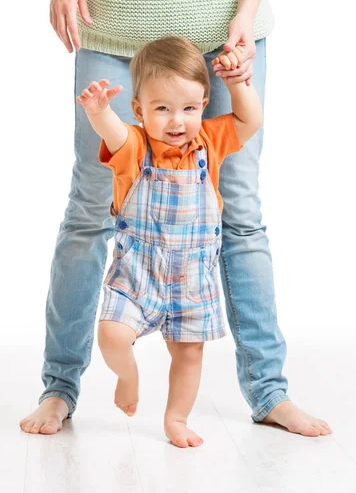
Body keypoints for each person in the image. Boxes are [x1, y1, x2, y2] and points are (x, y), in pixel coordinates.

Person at [20, 0, 333, 437]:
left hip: (224, 43)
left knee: (238, 211)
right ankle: (59, 387)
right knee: (91, 208)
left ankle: (268, 390)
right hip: (111, 28)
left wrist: (245, 11)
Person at [77, 36, 262, 448]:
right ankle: (128, 377)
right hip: (137, 276)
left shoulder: (208, 144)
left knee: (189, 355)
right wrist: (99, 111)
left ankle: (176, 417)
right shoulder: (135, 146)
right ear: (140, 110)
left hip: (192, 280)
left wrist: (238, 83)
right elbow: (114, 132)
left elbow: (250, 120)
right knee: (111, 334)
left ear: (202, 105)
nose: (177, 121)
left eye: (190, 108)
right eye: (163, 109)